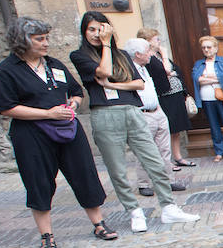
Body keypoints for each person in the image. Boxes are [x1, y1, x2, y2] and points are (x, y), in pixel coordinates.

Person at [0, 17, 115, 248]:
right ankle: (46, 235)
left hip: (67, 129)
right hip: (32, 134)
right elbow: (6, 107)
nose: (46, 43)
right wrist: (46, 113)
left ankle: (98, 223)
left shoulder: (54, 65)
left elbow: (76, 91)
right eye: (40, 39)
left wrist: (74, 104)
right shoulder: (8, 70)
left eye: (46, 38)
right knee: (39, 181)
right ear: (22, 41)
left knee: (84, 174)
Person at [70, 12, 199, 232]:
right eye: (91, 29)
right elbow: (104, 71)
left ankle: (169, 207)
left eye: (100, 29)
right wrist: (106, 47)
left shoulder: (122, 55)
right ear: (84, 32)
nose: (96, 34)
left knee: (155, 160)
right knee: (117, 169)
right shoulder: (80, 55)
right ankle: (134, 211)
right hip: (105, 113)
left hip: (132, 109)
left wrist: (111, 85)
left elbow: (138, 83)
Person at [123, 38, 188, 197]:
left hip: (157, 111)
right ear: (137, 54)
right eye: (147, 52)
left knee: (164, 149)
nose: (150, 55)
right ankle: (143, 183)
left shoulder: (147, 67)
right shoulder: (128, 70)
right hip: (143, 114)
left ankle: (168, 180)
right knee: (144, 151)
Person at [136, 28, 195, 169]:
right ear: (148, 40)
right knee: (166, 130)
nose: (159, 41)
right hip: (164, 97)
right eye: (156, 39)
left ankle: (178, 157)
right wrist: (164, 54)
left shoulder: (157, 55)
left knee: (176, 130)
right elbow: (166, 70)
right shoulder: (150, 57)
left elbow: (174, 72)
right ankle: (166, 161)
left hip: (175, 94)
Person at [191, 35, 223, 161]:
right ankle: (219, 152)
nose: (206, 50)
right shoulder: (199, 64)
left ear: (215, 48)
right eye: (203, 48)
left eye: (209, 47)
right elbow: (197, 79)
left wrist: (205, 79)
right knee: (214, 126)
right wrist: (212, 78)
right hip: (207, 98)